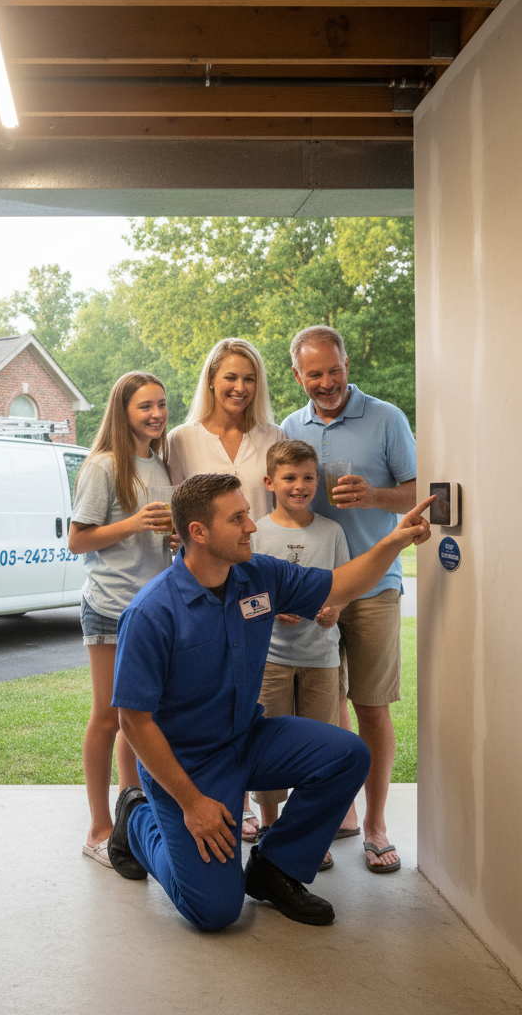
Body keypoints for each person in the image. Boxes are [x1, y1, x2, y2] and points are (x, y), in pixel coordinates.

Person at [107, 474, 432, 929]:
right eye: (237, 518)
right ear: (199, 532)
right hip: (189, 765)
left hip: (248, 738)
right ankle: (136, 817)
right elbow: (135, 722)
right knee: (214, 912)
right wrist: (193, 804)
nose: (251, 526)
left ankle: (274, 867)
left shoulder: (258, 576)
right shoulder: (150, 612)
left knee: (347, 755)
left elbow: (340, 585)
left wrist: (395, 541)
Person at [281, 325, 416, 873]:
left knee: (371, 706)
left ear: (345, 364)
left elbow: (419, 491)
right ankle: (338, 813)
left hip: (375, 587)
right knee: (322, 708)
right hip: (316, 590)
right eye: (314, 373)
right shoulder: (292, 426)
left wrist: (375, 495)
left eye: (333, 369)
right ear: (298, 375)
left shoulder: (387, 418)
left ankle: (377, 825)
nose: (326, 382)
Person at [168, 337, 286, 843]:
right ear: (212, 380)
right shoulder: (182, 439)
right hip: (205, 585)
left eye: (249, 378)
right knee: (214, 691)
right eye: (231, 377)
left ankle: (268, 811)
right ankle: (223, 802)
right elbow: (179, 513)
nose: (240, 387)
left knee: (261, 690)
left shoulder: (273, 435)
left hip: (260, 576)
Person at [67, 372, 177, 873]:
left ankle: (131, 818)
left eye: (161, 404)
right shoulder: (104, 466)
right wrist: (134, 523)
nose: (156, 414)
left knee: (141, 718)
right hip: (111, 606)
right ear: (123, 411)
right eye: (144, 406)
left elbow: (155, 538)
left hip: (154, 610)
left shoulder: (160, 462)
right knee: (108, 717)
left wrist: (172, 539)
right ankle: (97, 829)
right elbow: (78, 540)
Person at [249, 440, 350, 872]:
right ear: (269, 482)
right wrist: (272, 608)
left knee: (321, 746)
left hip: (321, 657)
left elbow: (343, 585)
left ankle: (308, 834)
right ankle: (270, 825)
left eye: (308, 477)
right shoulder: (256, 533)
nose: (299, 485)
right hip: (270, 659)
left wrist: (334, 608)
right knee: (269, 743)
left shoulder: (331, 532)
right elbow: (245, 596)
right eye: (289, 477)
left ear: (318, 481)